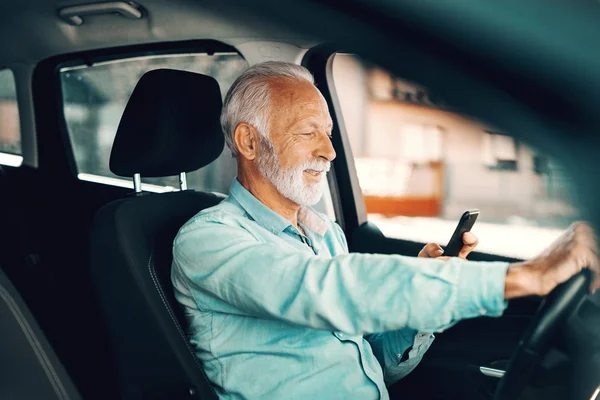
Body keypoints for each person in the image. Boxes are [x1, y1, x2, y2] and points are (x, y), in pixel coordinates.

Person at [171, 61, 599, 399]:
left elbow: (377, 363)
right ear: (248, 143)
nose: (330, 151)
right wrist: (526, 275)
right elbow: (326, 289)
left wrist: (422, 309)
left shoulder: (324, 233)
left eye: (330, 133)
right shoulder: (209, 240)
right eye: (309, 133)